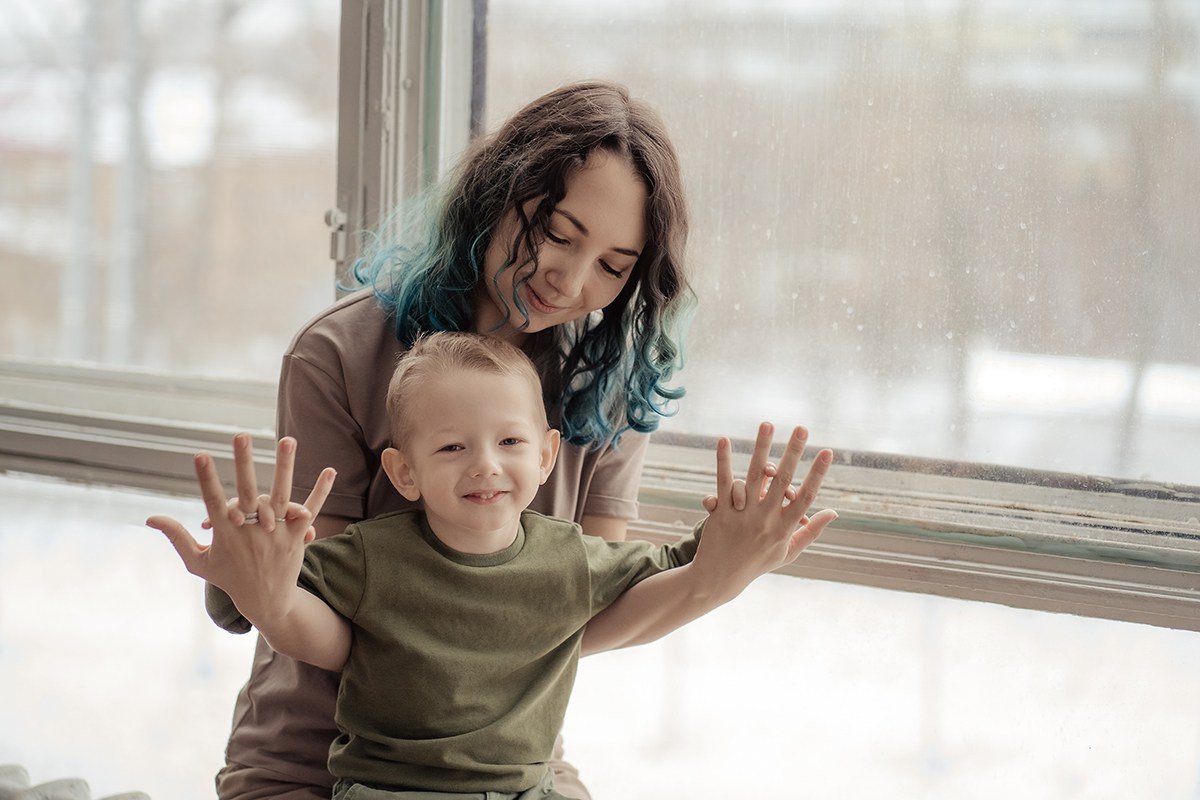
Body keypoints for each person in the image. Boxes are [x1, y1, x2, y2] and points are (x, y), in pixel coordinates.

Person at [181, 79, 811, 800]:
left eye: (612, 265)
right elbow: (327, 608)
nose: (568, 280)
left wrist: (714, 578)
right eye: (557, 233)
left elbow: (584, 608)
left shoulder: (604, 389)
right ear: (495, 194)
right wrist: (247, 581)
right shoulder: (340, 354)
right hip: (318, 761)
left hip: (510, 765)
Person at [147, 332, 838, 799]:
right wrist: (247, 570)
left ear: (543, 457)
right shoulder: (371, 555)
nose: (485, 463)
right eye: (451, 448)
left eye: (509, 440)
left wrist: (733, 552)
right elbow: (263, 603)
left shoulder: (573, 560)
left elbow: (679, 572)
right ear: (405, 472)